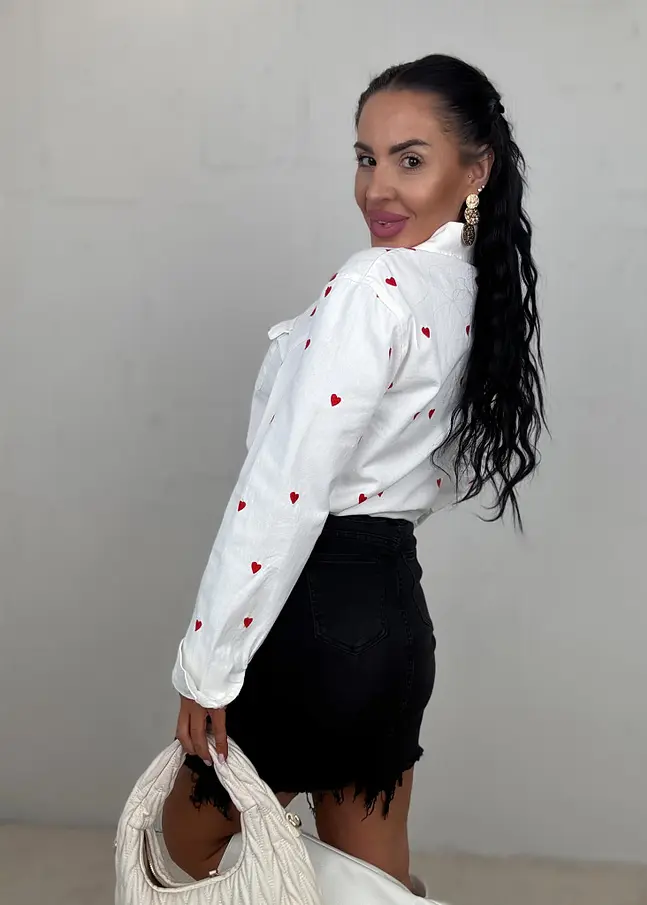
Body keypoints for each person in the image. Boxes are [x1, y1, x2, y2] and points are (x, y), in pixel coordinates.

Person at [162, 53, 545, 894]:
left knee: (178, 863)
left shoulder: (375, 283)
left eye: (410, 159)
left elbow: (285, 488)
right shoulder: (470, 292)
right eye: (366, 158)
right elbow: (433, 474)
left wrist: (209, 661)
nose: (378, 187)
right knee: (369, 879)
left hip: (311, 611)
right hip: (391, 613)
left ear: (475, 170)